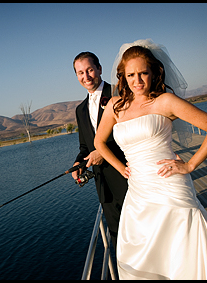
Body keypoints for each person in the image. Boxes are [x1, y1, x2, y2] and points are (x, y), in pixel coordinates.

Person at [94, 39, 207, 279]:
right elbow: (99, 142)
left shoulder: (165, 102)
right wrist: (121, 168)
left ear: (154, 72)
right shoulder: (115, 106)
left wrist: (190, 164)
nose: (137, 81)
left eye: (143, 73)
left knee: (183, 251)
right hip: (138, 190)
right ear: (123, 76)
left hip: (170, 185)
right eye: (131, 75)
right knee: (141, 252)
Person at [71, 51, 129, 252]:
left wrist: (102, 153)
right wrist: (78, 163)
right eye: (80, 73)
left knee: (141, 232)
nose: (86, 77)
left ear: (99, 69)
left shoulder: (119, 93)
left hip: (128, 176)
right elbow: (85, 147)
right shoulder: (80, 110)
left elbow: (131, 133)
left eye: (89, 70)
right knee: (117, 237)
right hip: (103, 184)